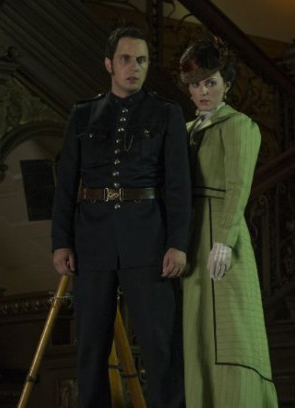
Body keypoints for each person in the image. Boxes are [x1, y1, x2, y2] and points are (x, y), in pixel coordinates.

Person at [51, 26, 191, 408]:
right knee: (90, 348)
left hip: (148, 238)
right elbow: (66, 185)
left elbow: (179, 186)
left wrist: (178, 244)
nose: (135, 67)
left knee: (161, 344)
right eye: (126, 59)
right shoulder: (82, 114)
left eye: (141, 60)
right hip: (91, 240)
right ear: (109, 64)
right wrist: (61, 241)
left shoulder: (166, 113)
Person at [178, 37, 279, 407]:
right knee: (197, 330)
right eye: (195, 84)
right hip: (190, 235)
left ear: (227, 84)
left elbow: (239, 186)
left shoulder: (239, 125)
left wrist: (224, 239)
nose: (202, 91)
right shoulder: (186, 130)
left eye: (210, 82)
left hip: (220, 233)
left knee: (229, 329)